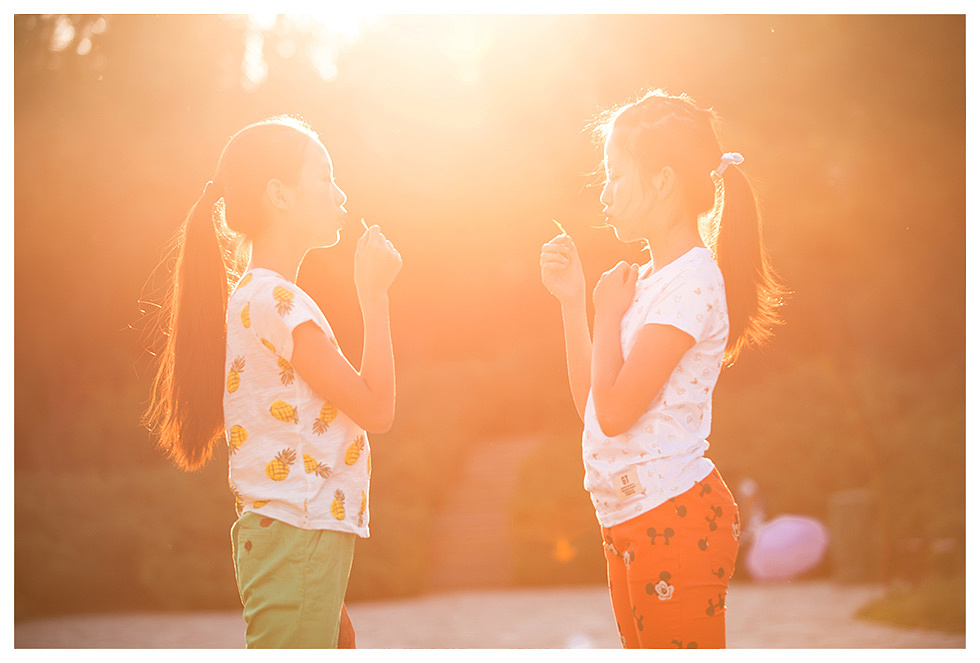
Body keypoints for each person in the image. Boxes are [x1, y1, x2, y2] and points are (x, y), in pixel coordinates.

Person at [143, 116, 402, 648]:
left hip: (295, 537)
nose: (341, 193)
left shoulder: (259, 299)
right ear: (280, 195)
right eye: (325, 176)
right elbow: (378, 410)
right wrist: (374, 295)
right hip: (298, 537)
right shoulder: (277, 302)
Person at [539, 89, 785, 648]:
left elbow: (620, 411)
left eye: (616, 176)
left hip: (675, 519)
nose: (603, 193)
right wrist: (573, 303)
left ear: (663, 181)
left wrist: (605, 314)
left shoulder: (693, 283)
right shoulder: (644, 281)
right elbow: (594, 411)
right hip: (627, 517)